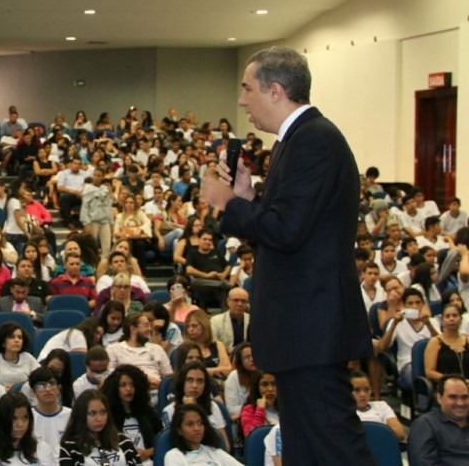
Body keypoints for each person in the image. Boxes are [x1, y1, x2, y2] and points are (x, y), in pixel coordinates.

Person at [200, 46, 373, 463]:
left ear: (275, 90)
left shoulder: (313, 140)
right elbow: (288, 229)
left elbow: (288, 230)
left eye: (247, 89)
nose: (242, 101)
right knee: (307, 448)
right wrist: (247, 197)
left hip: (311, 326)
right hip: (303, 327)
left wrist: (229, 204)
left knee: (332, 447)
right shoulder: (293, 141)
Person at [59, 389, 141, 465]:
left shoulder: (123, 441)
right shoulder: (70, 446)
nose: (99, 419)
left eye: (103, 412)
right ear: (81, 415)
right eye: (92, 413)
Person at [100, 365, 163, 465]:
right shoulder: (108, 415)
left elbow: (163, 440)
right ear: (115, 388)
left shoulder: (146, 412)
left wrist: (147, 453)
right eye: (123, 385)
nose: (129, 389)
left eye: (132, 385)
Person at [408, 374, 469, 464]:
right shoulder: (425, 425)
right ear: (439, 398)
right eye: (453, 397)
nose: (460, 403)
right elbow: (422, 463)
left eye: (465, 397)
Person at [106, 313, 173, 389]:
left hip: (155, 393)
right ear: (133, 329)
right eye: (146, 325)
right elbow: (110, 377)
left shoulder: (157, 349)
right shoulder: (114, 349)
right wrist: (145, 379)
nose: (149, 329)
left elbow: (169, 379)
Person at [163, 403, 242, 466]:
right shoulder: (173, 456)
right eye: (190, 424)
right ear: (179, 430)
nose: (197, 428)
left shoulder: (214, 451)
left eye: (200, 423)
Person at [350, 370, 406, 441]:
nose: (363, 394)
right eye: (357, 390)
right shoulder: (343, 411)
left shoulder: (382, 406)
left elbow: (400, 434)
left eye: (367, 389)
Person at [424, 301, 469, 381]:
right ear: (442, 320)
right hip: (446, 386)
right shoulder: (435, 342)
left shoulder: (467, 339)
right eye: (447, 316)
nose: (451, 319)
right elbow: (430, 372)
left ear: (461, 319)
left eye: (455, 316)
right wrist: (453, 381)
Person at [0, 322, 39, 389]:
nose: (17, 340)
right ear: (3, 342)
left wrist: (18, 387)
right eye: (12, 337)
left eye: (20, 337)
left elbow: (40, 378)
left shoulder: (28, 358)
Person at [210, 287, 250, 353]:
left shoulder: (252, 321)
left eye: (243, 301)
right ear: (228, 301)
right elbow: (213, 345)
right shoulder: (215, 321)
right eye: (236, 300)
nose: (240, 304)